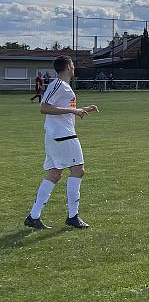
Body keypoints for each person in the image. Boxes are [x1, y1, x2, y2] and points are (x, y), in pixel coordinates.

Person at [25, 56, 99, 230]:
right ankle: (73, 216)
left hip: (57, 136)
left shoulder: (64, 87)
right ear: (67, 67)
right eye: (72, 64)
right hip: (62, 136)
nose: (74, 67)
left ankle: (33, 216)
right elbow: (44, 108)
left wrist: (83, 109)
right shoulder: (58, 84)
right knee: (78, 171)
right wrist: (73, 110)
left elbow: (60, 109)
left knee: (54, 174)